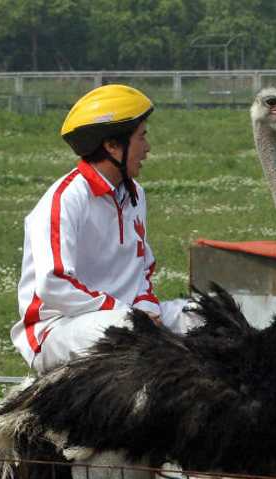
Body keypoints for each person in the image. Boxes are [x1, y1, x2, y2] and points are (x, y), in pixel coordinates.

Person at [11, 83, 196, 375]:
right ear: (112, 146)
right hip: (56, 329)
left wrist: (146, 308)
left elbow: (142, 270)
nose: (147, 148)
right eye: (141, 137)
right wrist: (129, 313)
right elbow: (53, 283)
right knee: (129, 329)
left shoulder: (135, 194)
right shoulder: (65, 200)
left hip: (124, 319)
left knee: (202, 318)